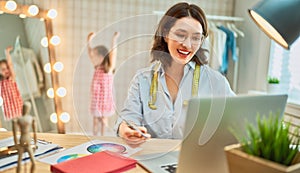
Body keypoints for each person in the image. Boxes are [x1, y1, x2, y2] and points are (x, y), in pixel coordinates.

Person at [115, 2, 235, 146]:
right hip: (150, 160)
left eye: (196, 38)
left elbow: (237, 122)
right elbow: (128, 118)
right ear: (165, 34)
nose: (188, 45)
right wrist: (126, 129)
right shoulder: (142, 80)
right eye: (180, 35)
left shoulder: (216, 82)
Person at [87, 31, 120, 136]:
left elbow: (113, 54)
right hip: (96, 99)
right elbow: (90, 53)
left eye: (96, 56)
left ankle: (102, 137)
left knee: (104, 121)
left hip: (105, 99)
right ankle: (95, 136)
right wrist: (89, 41)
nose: (93, 58)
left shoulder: (109, 68)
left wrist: (114, 40)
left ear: (102, 56)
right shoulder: (97, 67)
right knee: (95, 121)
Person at [12, 101, 37, 173]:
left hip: (27, 141)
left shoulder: (31, 118)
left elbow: (35, 132)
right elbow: (14, 132)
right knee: (19, 162)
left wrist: (35, 143)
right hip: (23, 141)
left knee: (32, 162)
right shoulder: (19, 119)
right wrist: (16, 144)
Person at [0, 46, 23, 120]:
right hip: (8, 109)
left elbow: (10, 64)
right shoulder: (1, 83)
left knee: (20, 121)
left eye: (7, 68)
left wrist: (7, 53)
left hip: (17, 105)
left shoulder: (11, 78)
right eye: (3, 69)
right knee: (13, 126)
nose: (6, 70)